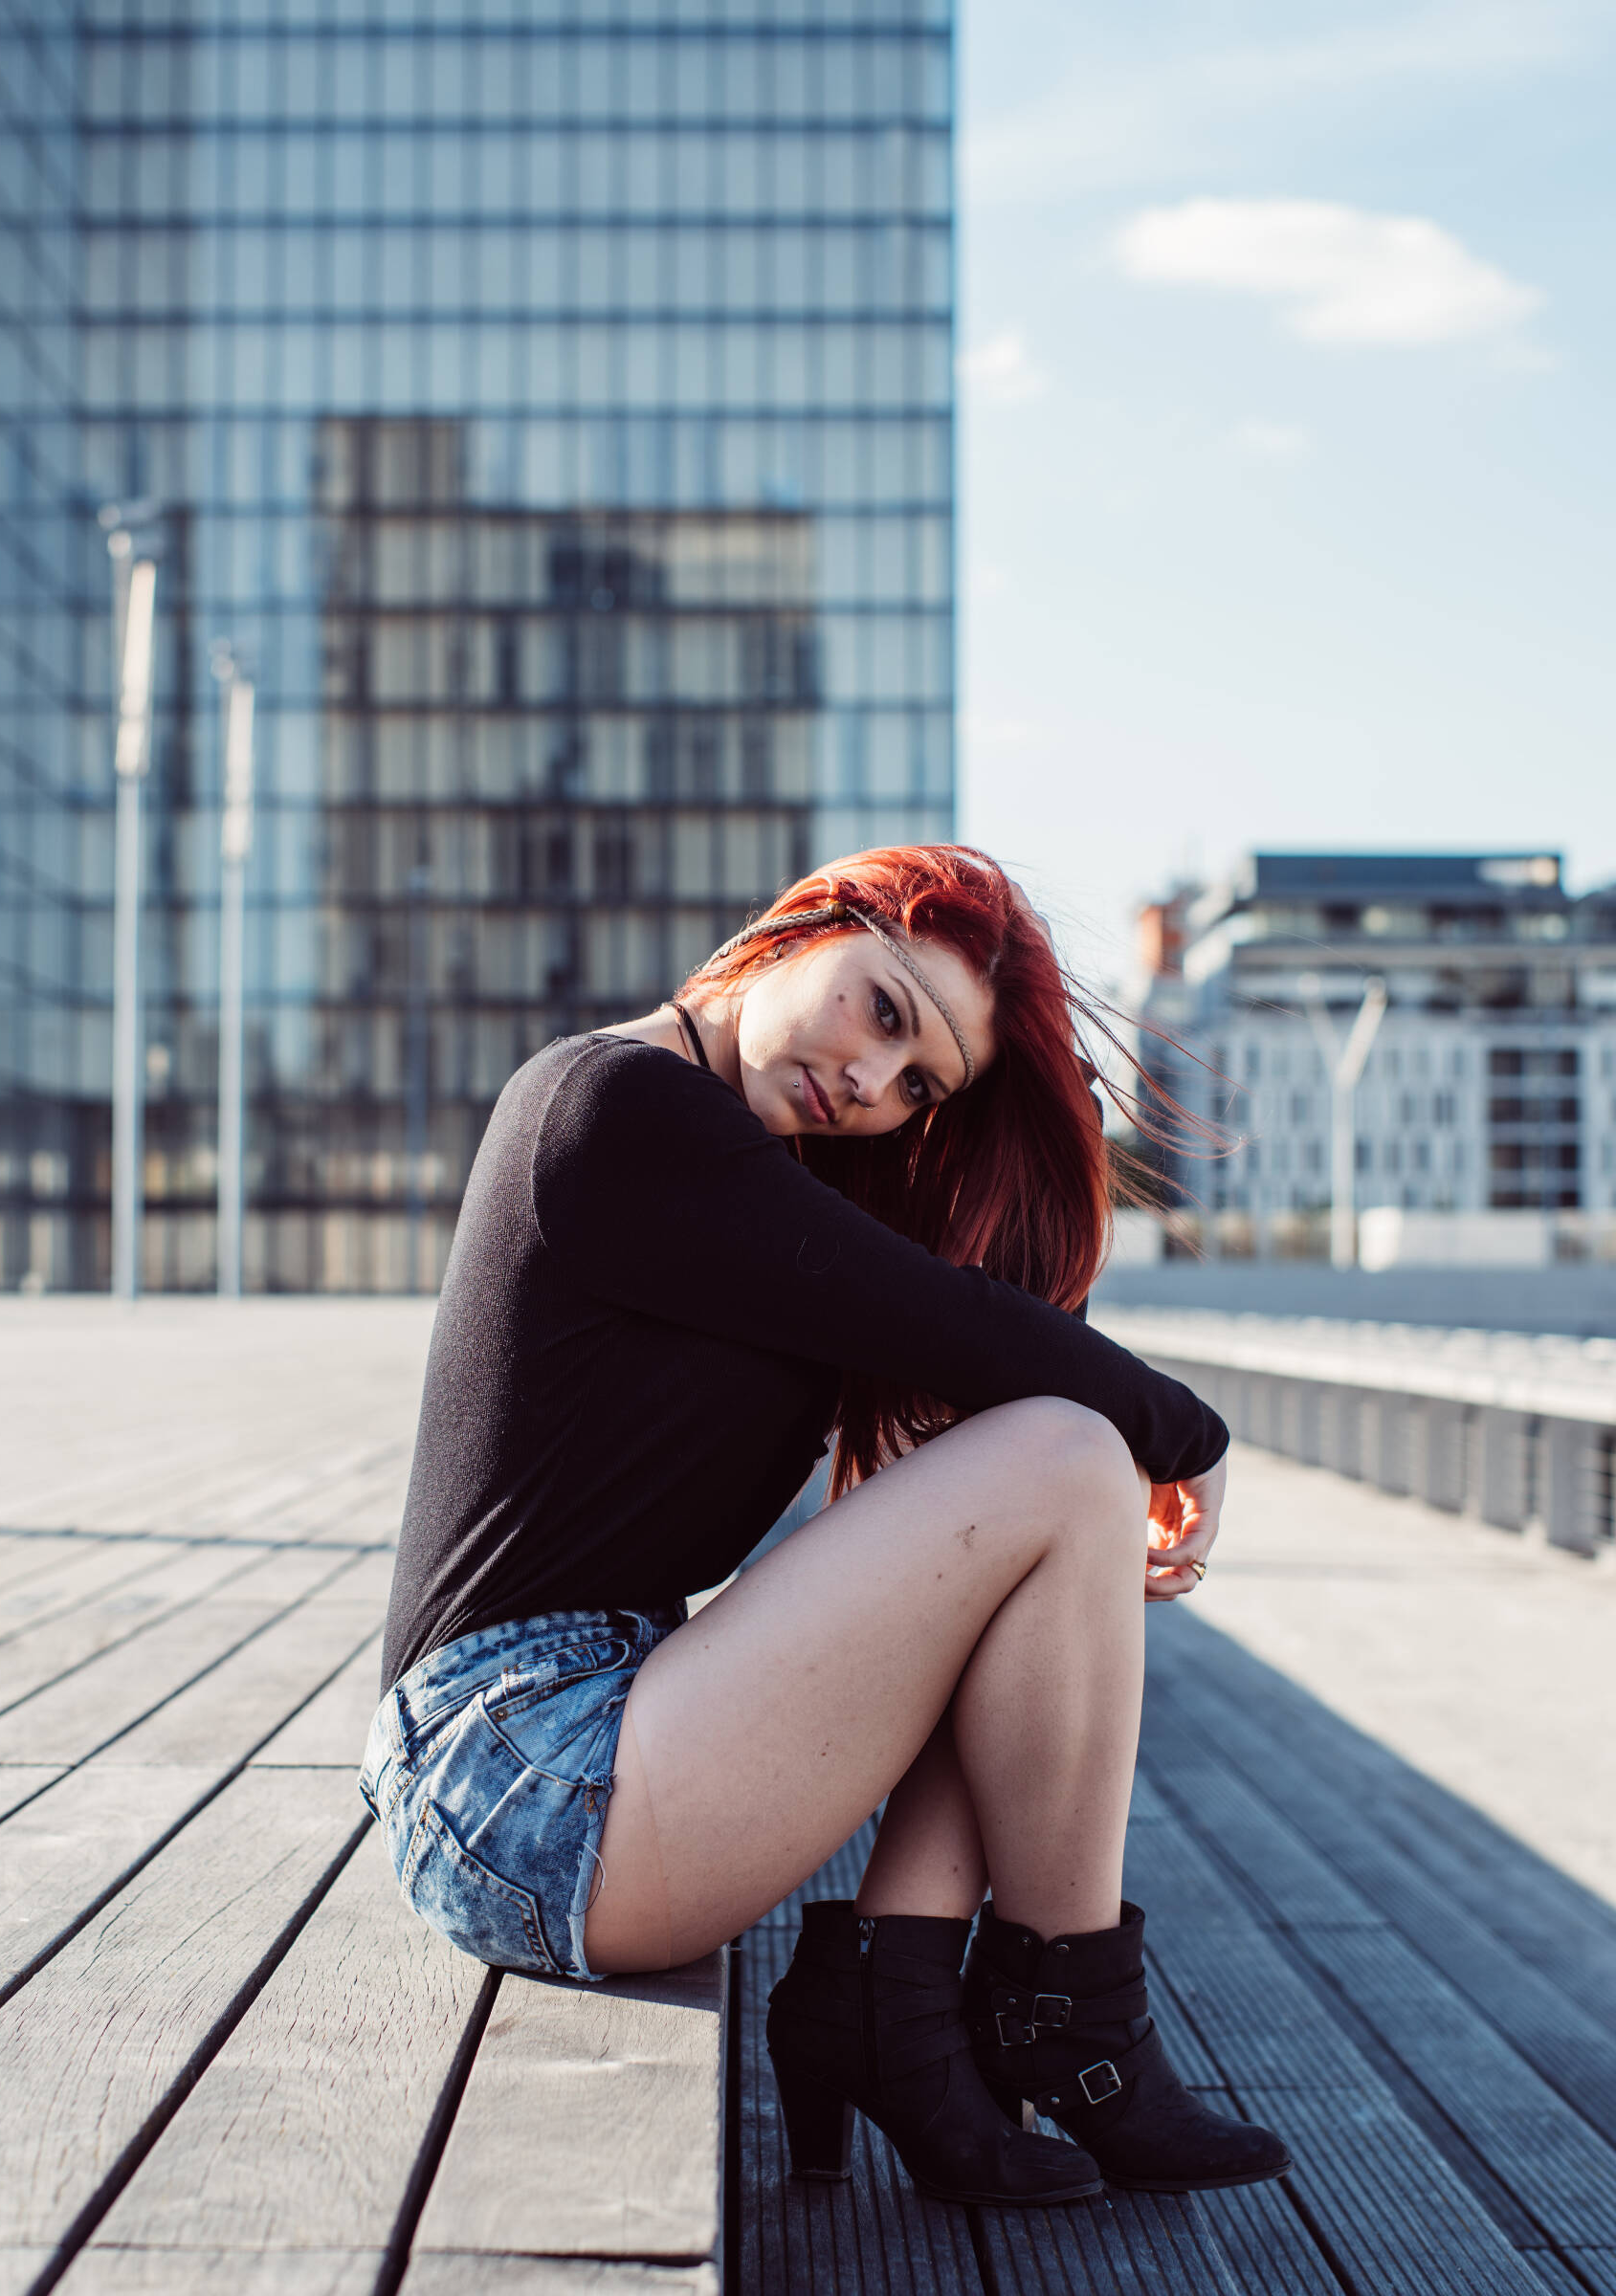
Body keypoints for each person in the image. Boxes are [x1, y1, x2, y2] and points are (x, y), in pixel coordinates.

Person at [361, 844, 1290, 2207]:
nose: (870, 1083)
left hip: (576, 1741)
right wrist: (1187, 1435)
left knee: (1046, 1495)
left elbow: (987, 1345)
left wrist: (1034, 1132)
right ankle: (1074, 2020)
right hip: (515, 1781)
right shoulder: (614, 1105)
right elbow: (964, 1334)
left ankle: (900, 2014)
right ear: (810, 926)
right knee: (1071, 1454)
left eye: (920, 1086)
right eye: (884, 1008)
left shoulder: (756, 1174)